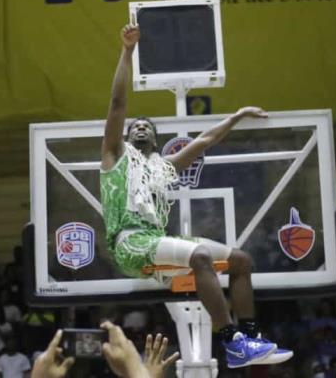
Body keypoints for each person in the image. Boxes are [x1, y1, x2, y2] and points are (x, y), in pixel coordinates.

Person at [100, 23, 289, 368]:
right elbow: (117, 103)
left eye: (148, 127)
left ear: (156, 141)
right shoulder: (115, 157)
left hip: (154, 241)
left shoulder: (163, 165)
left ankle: (249, 336)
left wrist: (236, 115)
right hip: (128, 244)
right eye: (135, 126)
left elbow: (203, 142)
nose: (141, 127)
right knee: (200, 255)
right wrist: (127, 51)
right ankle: (230, 341)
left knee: (241, 261)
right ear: (126, 137)